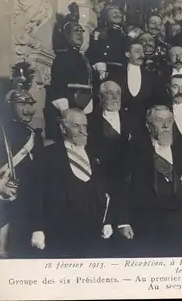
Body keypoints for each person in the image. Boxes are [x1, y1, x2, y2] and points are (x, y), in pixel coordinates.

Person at [119, 105, 182, 257]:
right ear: (148, 125)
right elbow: (122, 187)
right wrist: (123, 221)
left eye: (169, 121)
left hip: (178, 225)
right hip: (145, 224)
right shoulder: (134, 149)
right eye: (160, 121)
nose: (166, 125)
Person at [30, 109, 114, 258]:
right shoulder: (47, 155)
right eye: (76, 126)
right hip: (60, 233)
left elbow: (104, 189)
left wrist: (107, 221)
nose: (83, 131)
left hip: (94, 233)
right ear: (63, 128)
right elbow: (36, 194)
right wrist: (37, 229)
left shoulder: (95, 153)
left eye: (85, 126)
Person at [0, 89, 43, 258]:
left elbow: (39, 180)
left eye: (31, 104)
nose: (29, 109)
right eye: (23, 104)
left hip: (24, 212)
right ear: (9, 107)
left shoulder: (33, 135)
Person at [45, 17, 94, 142]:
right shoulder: (62, 58)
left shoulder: (84, 58)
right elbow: (58, 86)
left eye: (81, 31)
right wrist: (66, 112)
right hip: (68, 109)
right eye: (75, 31)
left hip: (84, 109)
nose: (79, 34)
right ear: (67, 35)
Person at [88, 5, 128, 82]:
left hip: (122, 72)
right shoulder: (98, 33)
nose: (117, 14)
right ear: (106, 16)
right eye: (114, 13)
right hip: (103, 71)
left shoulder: (126, 34)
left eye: (119, 13)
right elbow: (93, 52)